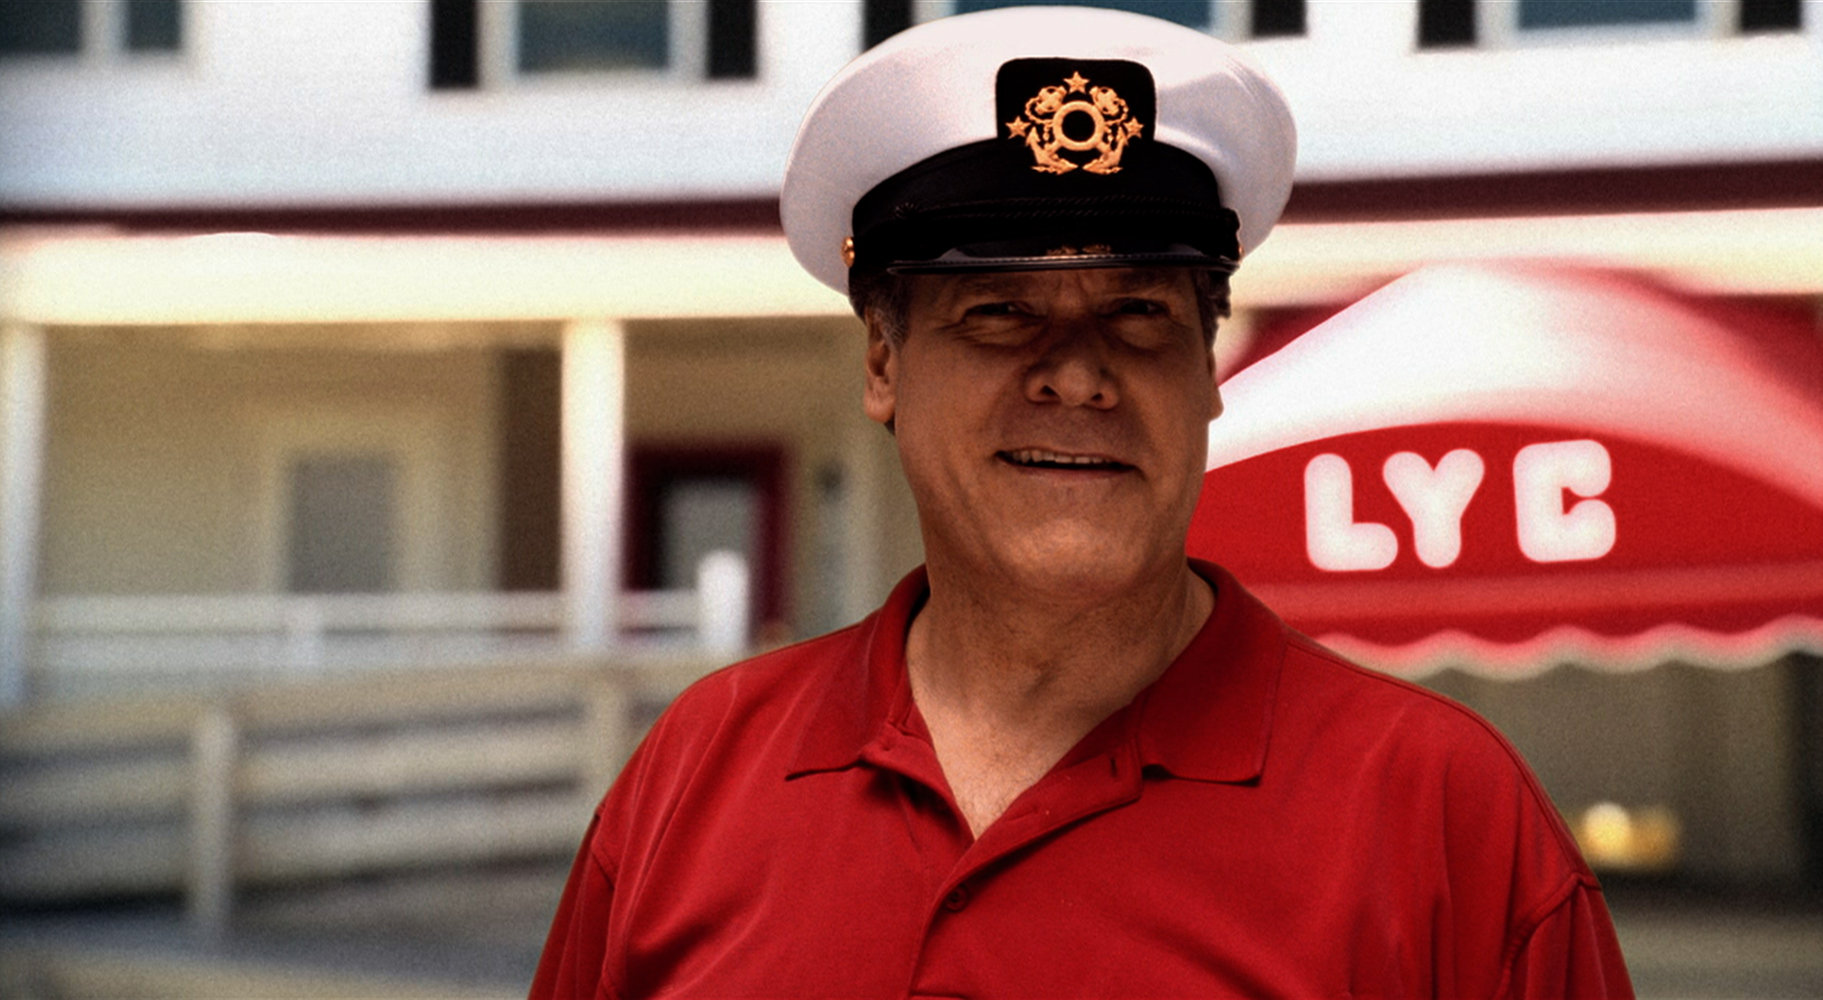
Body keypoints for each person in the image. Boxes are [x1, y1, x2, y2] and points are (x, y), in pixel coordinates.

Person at [531, 7, 1633, 998]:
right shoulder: (693, 777)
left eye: (1139, 312)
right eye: (999, 310)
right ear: (881, 360)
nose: (1077, 373)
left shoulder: (1445, 819)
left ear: (1208, 370)